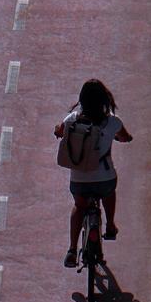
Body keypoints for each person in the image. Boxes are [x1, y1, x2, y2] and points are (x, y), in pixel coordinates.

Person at [55, 79, 132, 268]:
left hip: (79, 180)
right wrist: (123, 138)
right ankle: (111, 225)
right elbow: (125, 137)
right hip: (104, 178)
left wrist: (58, 132)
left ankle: (72, 250)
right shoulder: (113, 122)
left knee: (79, 207)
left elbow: (59, 131)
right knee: (109, 192)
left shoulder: (72, 119)